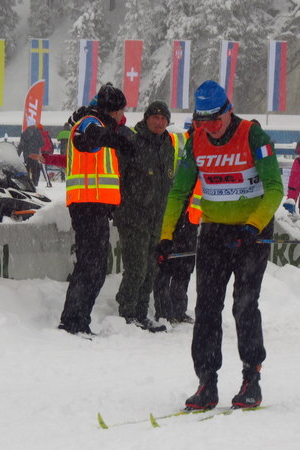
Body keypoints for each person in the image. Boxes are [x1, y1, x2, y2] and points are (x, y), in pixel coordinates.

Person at [156, 80, 283, 411]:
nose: (210, 127)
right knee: (207, 308)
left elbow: (274, 188)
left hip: (251, 232)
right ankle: (207, 382)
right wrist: (166, 235)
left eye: (215, 119)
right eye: (203, 121)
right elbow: (179, 192)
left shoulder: (253, 136)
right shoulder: (196, 140)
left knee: (244, 304)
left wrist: (253, 226)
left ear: (229, 111)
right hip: (213, 231)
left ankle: (251, 378)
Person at [57, 83, 130, 336]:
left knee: (94, 267)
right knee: (91, 267)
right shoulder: (90, 122)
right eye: (121, 110)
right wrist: (118, 139)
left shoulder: (97, 122)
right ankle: (73, 322)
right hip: (87, 205)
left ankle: (78, 320)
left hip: (94, 205)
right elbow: (89, 139)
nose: (122, 115)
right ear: (113, 110)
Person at [112, 101, 176, 333]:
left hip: (157, 217)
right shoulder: (132, 140)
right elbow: (119, 176)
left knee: (150, 268)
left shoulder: (168, 144)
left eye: (164, 119)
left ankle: (141, 312)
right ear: (146, 118)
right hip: (133, 215)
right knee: (136, 268)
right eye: (155, 118)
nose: (159, 122)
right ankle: (127, 312)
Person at [153, 123, 200, 326]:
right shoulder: (177, 140)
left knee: (185, 265)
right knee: (166, 263)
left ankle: (179, 310)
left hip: (191, 217)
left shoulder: (209, 147)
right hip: (172, 213)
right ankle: (164, 311)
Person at [19, 119, 44, 187]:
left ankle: (27, 184)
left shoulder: (24, 133)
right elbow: (42, 143)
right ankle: (35, 184)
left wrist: (18, 154)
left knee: (26, 169)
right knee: (35, 170)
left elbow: (21, 145)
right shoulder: (38, 132)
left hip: (27, 155)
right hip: (35, 155)